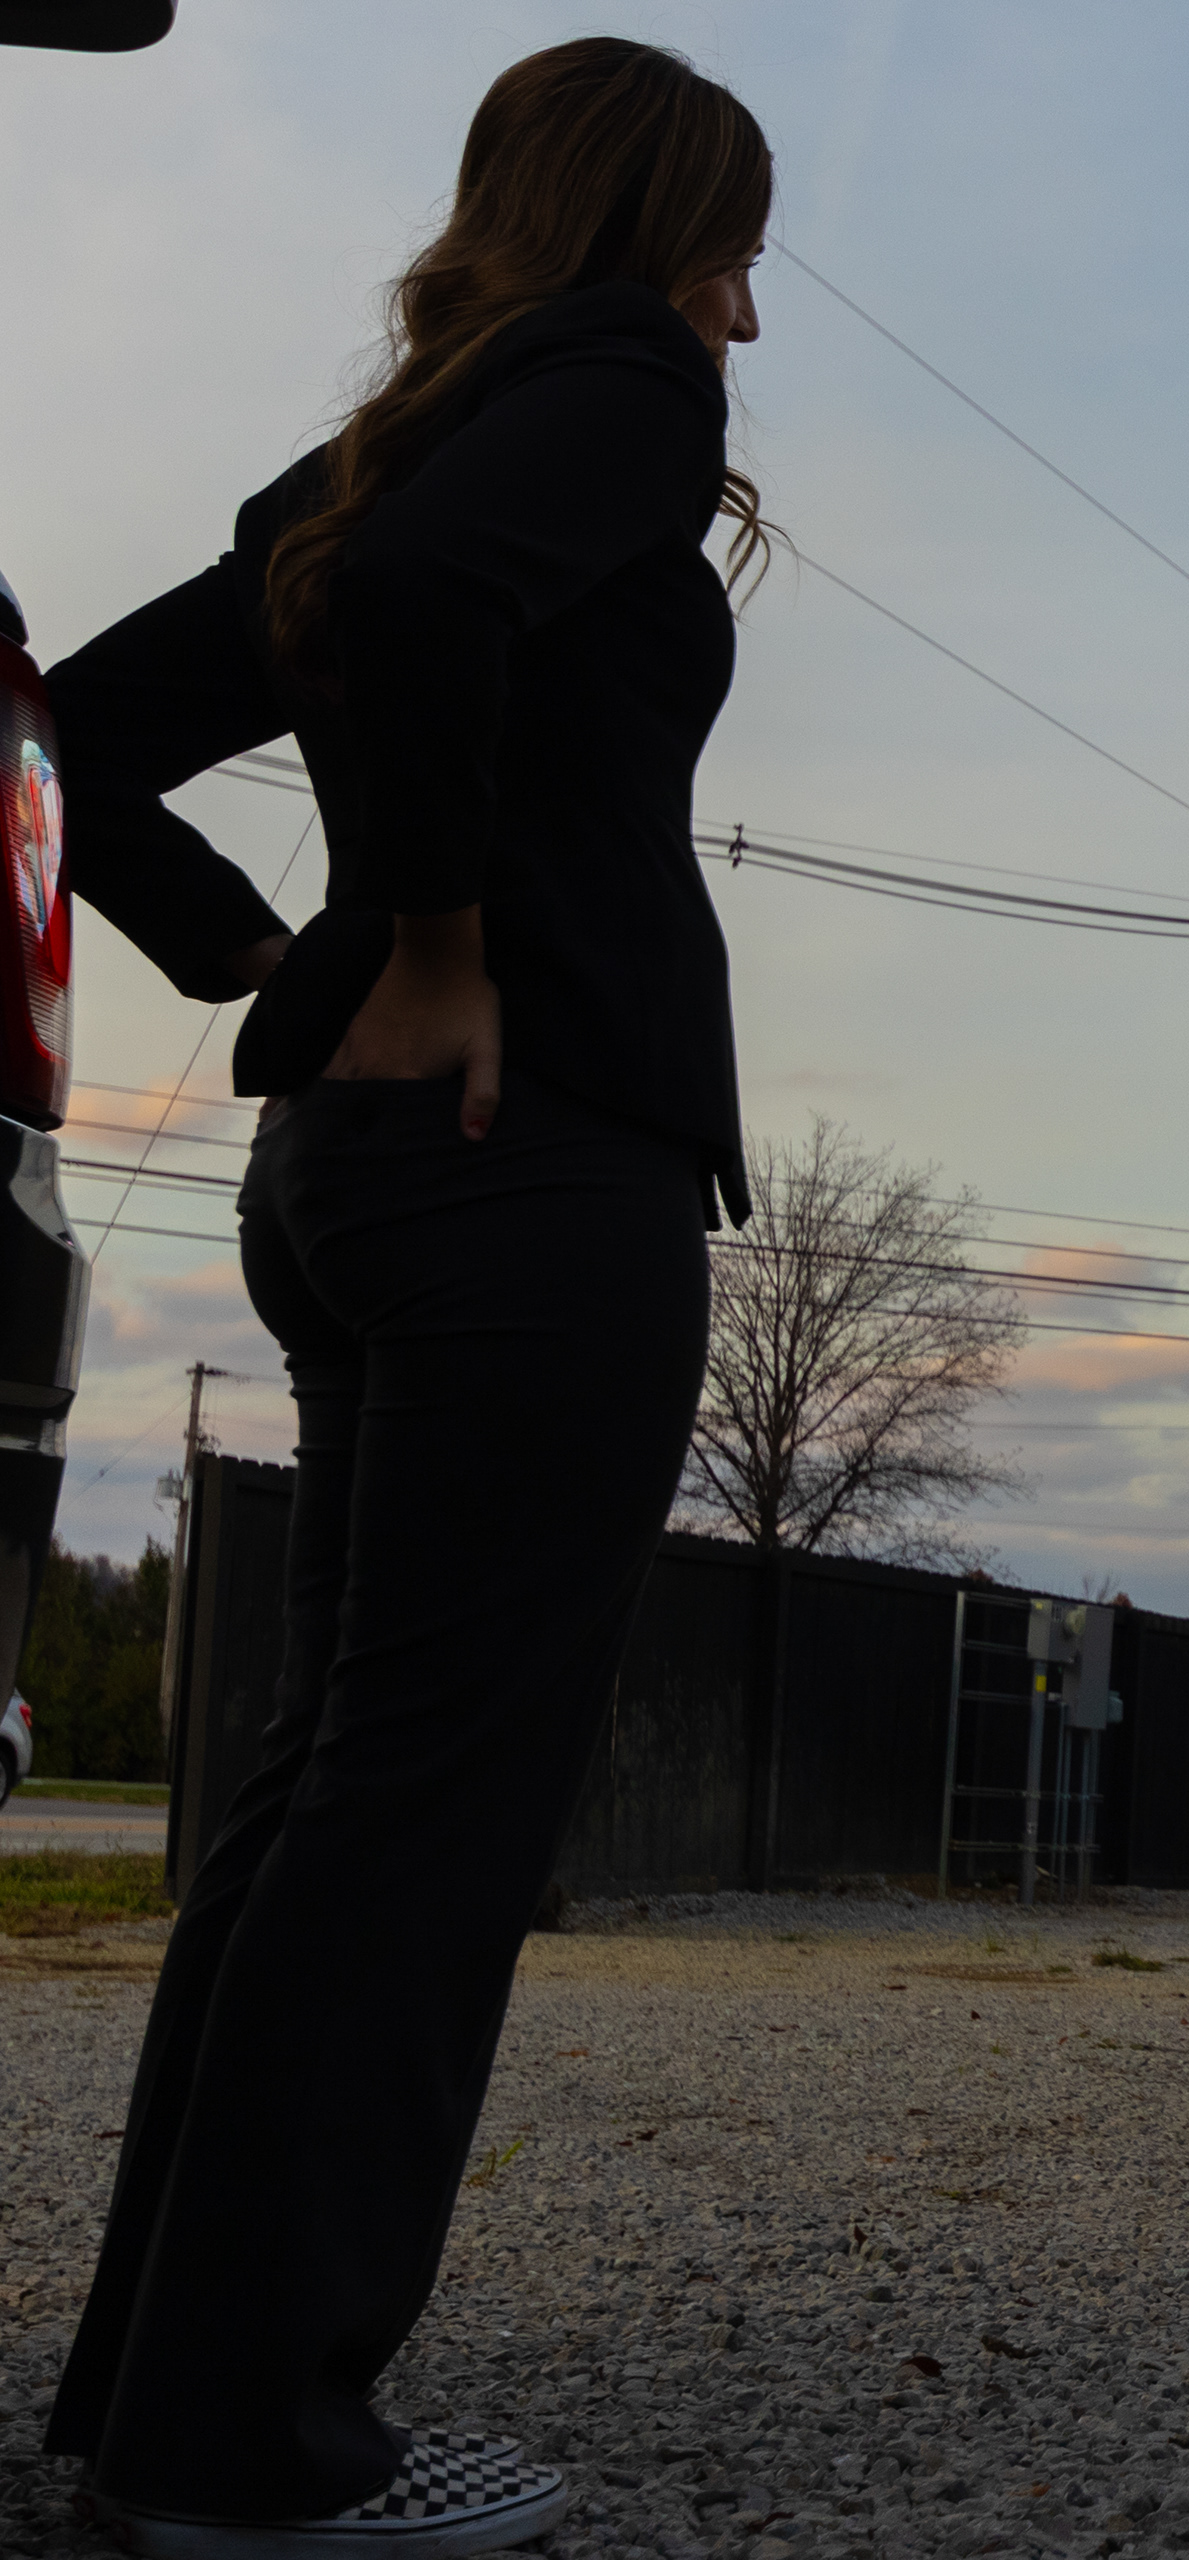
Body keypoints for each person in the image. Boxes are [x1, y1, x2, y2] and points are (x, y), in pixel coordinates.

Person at [41, 39, 776, 2555]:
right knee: (427, 1812)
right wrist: (437, 945)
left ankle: (167, 2414)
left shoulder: (385, 445)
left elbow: (66, 725)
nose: (746, 322)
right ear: (651, 224)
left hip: (352, 1175)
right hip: (520, 1158)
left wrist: (266, 949)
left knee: (322, 1794)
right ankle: (263, 2449)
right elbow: (436, 609)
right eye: (734, 248)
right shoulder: (615, 390)